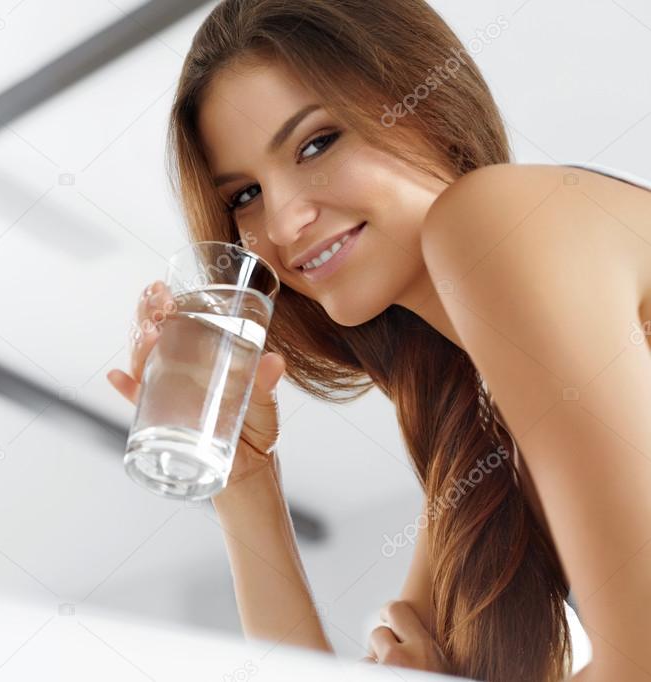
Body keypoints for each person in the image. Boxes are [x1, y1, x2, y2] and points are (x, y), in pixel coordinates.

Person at [105, 1, 651, 680]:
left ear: (428, 106)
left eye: (314, 144)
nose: (283, 222)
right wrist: (244, 484)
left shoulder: (498, 220)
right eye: (244, 194)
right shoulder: (478, 441)